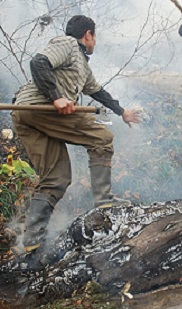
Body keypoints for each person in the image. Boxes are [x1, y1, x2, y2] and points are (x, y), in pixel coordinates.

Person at [11, 15, 141, 252]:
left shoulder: (81, 65)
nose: (95, 42)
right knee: (102, 137)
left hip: (25, 115)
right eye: (95, 37)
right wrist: (56, 97)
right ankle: (104, 201)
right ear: (88, 34)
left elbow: (97, 91)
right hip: (40, 107)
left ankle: (31, 243)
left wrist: (121, 111)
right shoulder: (68, 44)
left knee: (56, 178)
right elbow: (39, 62)